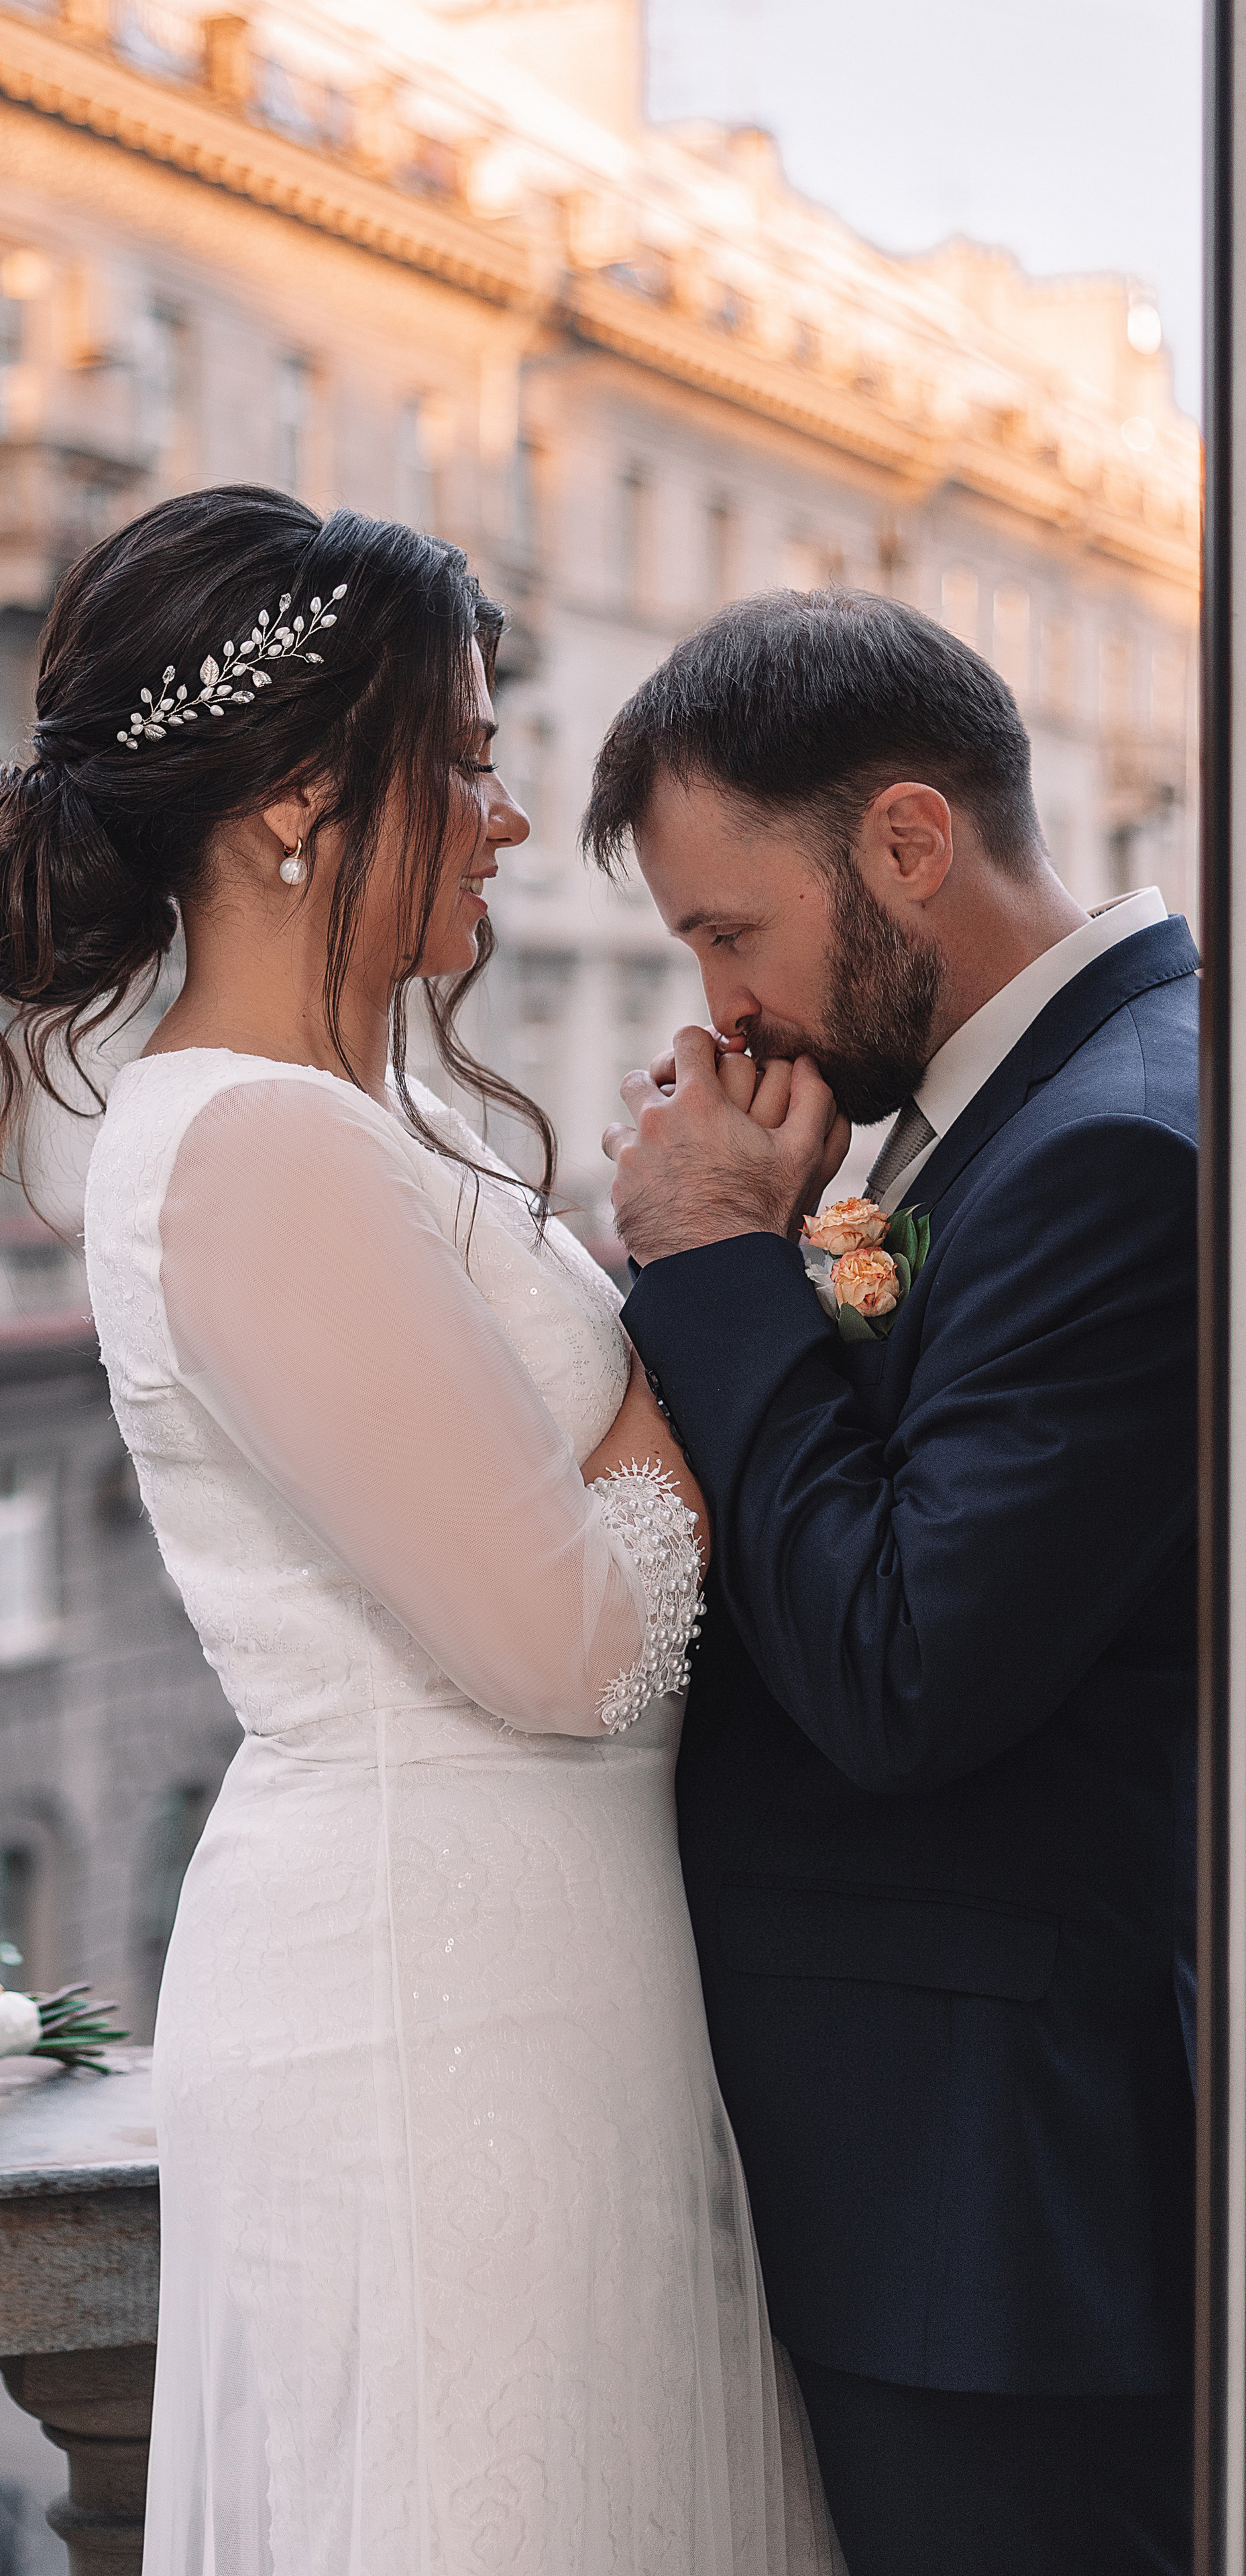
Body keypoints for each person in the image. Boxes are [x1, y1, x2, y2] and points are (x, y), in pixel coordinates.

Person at [0, 488, 844, 2573]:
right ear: (300, 798)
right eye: (465, 757)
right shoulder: (245, 1145)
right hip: (432, 2006)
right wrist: (698, 1279)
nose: (508, 815)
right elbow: (574, 1649)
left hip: (548, 1965)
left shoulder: (366, 1123)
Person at [587, 587, 1196, 2576]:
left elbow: (904, 1665)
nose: (725, 1008)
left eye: (728, 932)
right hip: (924, 2195)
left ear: (910, 843)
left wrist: (710, 1263)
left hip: (992, 2220)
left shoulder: (1123, 1148)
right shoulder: (1026, 1112)